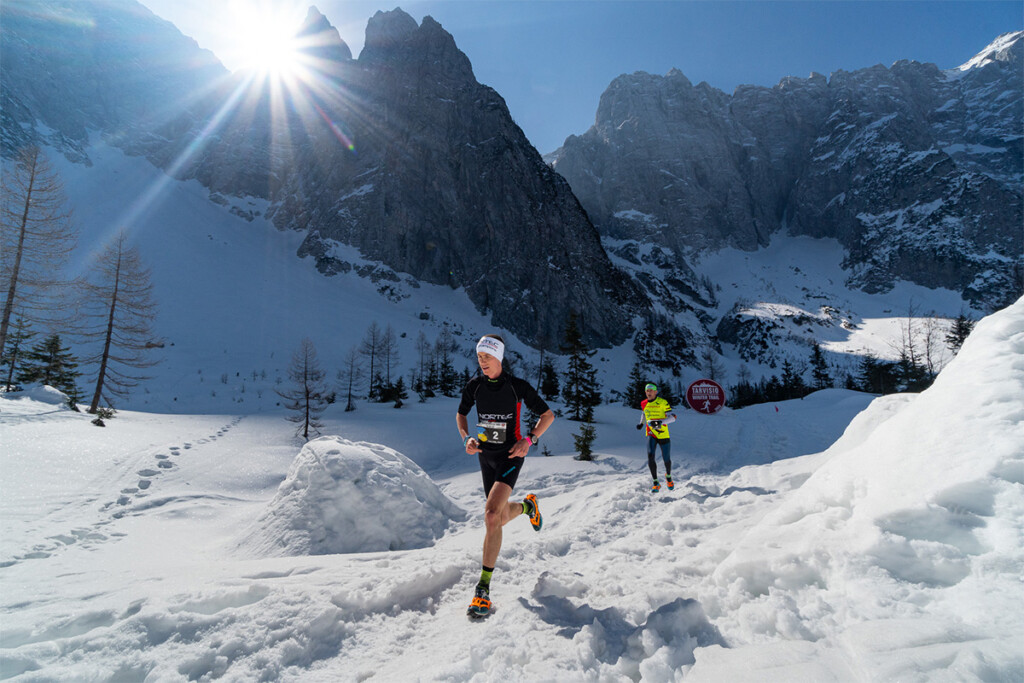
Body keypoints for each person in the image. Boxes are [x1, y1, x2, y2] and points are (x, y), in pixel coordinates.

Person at [457, 334, 555, 619]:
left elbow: (547, 415)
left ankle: (483, 589)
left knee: (490, 516)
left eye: (487, 357)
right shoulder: (475, 386)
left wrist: (529, 440)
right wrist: (466, 438)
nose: (482, 362)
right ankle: (527, 507)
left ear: (499, 357)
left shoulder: (516, 386)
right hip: (485, 457)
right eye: (479, 357)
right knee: (497, 518)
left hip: (510, 456)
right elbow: (461, 415)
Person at [636, 382, 677, 492]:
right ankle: (655, 482)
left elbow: (673, 417)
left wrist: (660, 422)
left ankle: (668, 476)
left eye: (651, 390)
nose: (648, 392)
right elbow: (644, 413)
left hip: (663, 433)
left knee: (666, 459)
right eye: (647, 391)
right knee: (650, 455)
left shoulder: (663, 402)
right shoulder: (643, 403)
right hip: (651, 433)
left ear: (656, 392)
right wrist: (641, 423)